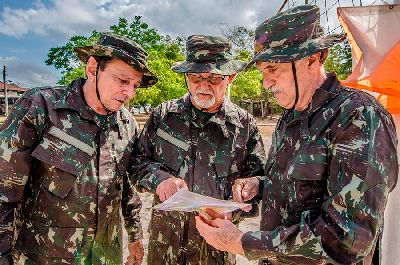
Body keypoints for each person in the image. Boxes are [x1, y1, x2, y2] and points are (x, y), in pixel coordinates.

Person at [195, 5, 398, 265]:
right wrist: (260, 185)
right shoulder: (289, 117)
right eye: (262, 72)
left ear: (311, 60)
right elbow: (302, 190)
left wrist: (242, 242)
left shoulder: (359, 116)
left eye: (272, 69)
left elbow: (348, 239)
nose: (266, 83)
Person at [0, 32, 157, 264]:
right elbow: (4, 191)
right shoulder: (41, 107)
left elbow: (126, 189)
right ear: (93, 68)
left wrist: (135, 236)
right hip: (47, 255)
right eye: (123, 81)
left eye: (135, 85)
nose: (130, 93)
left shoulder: (127, 125)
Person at [131, 35, 267, 264]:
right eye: (195, 77)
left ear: (230, 78)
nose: (203, 85)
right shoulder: (163, 115)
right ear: (186, 77)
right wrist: (160, 180)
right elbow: (137, 163)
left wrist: (246, 195)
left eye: (213, 78)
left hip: (217, 249)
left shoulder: (245, 126)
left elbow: (262, 183)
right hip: (165, 248)